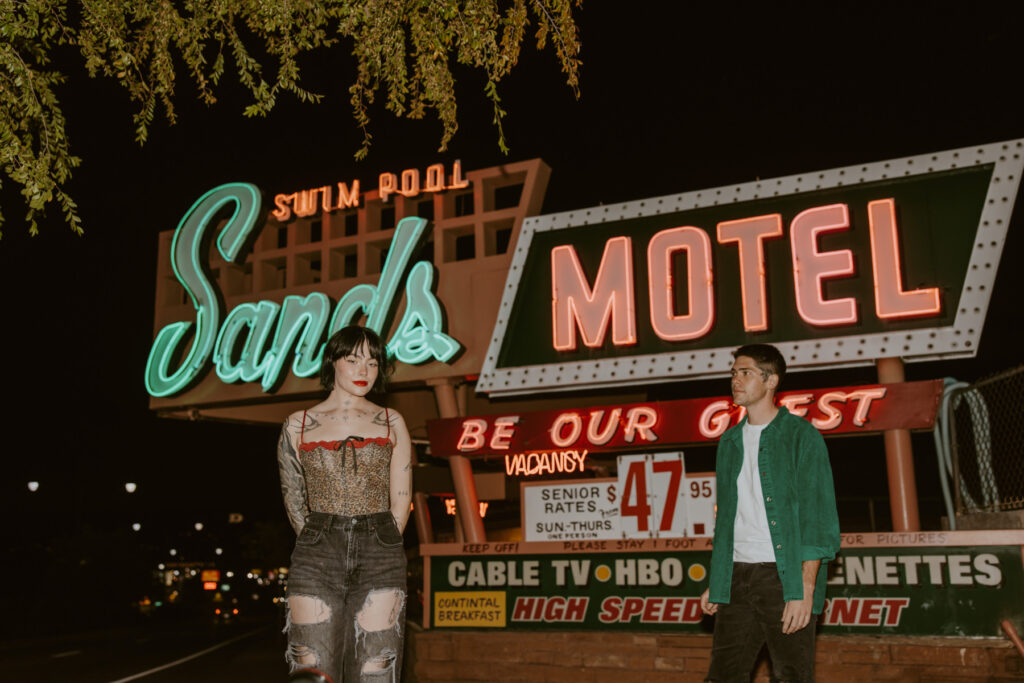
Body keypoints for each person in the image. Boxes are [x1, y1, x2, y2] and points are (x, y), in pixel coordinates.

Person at [277, 325, 413, 682]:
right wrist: (320, 536)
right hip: (316, 554)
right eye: (353, 359)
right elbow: (294, 500)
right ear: (332, 363)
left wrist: (379, 538)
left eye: (372, 362)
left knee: (376, 667)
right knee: (310, 664)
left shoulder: (391, 421)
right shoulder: (298, 425)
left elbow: (401, 500)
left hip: (380, 550)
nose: (363, 370)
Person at [700, 344, 840, 683]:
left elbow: (817, 517)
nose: (736, 380)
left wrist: (803, 589)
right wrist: (717, 581)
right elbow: (729, 518)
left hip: (782, 575)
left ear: (771, 380)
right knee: (722, 676)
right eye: (734, 373)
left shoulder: (800, 436)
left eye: (746, 373)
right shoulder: (729, 442)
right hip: (736, 574)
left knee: (791, 675)